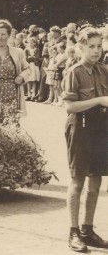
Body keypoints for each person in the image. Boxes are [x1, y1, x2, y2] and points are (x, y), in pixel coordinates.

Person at [62, 27, 108, 253]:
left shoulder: (104, 70)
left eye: (99, 46)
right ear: (80, 47)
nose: (96, 51)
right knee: (78, 181)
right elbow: (70, 106)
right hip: (80, 128)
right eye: (91, 47)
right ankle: (73, 232)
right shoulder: (74, 72)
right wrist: (99, 100)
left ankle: (88, 229)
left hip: (101, 129)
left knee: (96, 181)